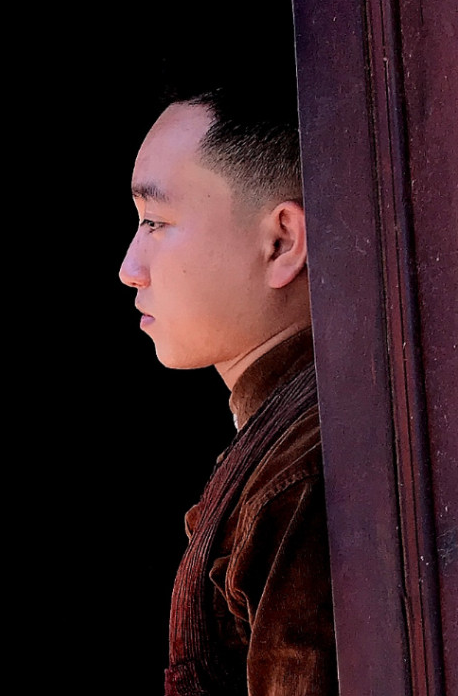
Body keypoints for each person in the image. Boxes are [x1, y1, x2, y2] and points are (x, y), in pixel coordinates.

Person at [119, 85, 338, 695]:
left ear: (281, 242)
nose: (130, 269)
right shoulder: (286, 442)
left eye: (155, 221)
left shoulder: (304, 478)